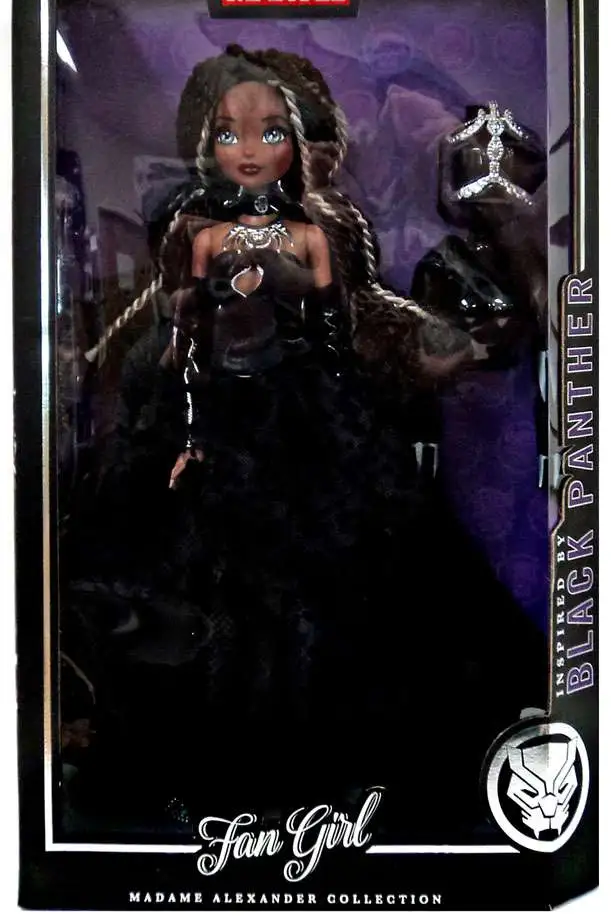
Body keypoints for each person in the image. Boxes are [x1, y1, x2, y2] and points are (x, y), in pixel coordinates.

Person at [62, 46, 547, 841]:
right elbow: (161, 319)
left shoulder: (327, 228)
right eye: (230, 133)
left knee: (373, 619)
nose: (255, 149)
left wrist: (439, 339)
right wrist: (116, 363)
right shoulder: (193, 228)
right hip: (216, 443)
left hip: (319, 438)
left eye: (280, 132)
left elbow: (362, 315)